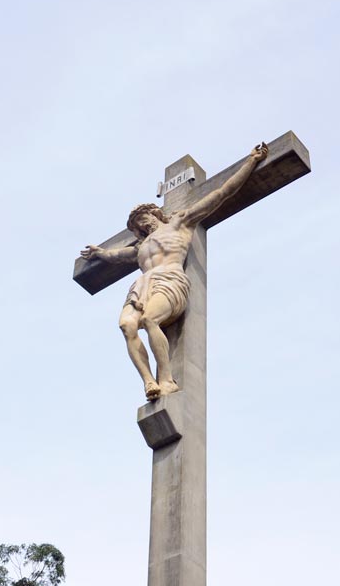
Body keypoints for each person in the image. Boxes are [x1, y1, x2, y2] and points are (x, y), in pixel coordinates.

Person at [81, 143, 269, 401]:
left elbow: (222, 193)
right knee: (126, 325)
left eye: (143, 218)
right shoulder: (140, 247)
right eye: (137, 224)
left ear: (155, 213)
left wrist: (251, 162)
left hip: (170, 279)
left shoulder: (180, 223)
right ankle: (150, 381)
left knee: (150, 320)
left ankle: (166, 379)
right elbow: (114, 256)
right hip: (143, 285)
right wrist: (99, 253)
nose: (141, 225)